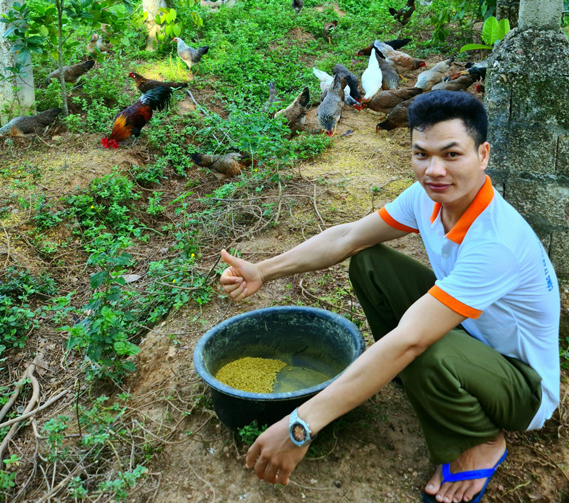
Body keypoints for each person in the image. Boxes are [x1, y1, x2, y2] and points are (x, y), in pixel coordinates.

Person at [219, 90, 560, 503]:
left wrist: (301, 423)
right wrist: (264, 270)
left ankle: (482, 441)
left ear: (483, 155)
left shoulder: (497, 242)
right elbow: (348, 237)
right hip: (470, 334)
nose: (434, 170)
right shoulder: (427, 198)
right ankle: (415, 378)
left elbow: (412, 339)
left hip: (523, 386)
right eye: (422, 154)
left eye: (452, 155)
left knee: (419, 347)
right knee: (370, 263)